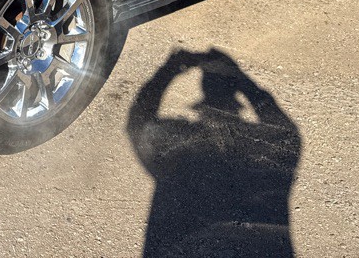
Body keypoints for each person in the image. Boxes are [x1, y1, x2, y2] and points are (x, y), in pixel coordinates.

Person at [127, 48, 301, 257]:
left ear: (200, 108)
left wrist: (168, 71)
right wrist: (243, 80)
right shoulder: (259, 148)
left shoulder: (181, 149)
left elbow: (139, 122)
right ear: (236, 104)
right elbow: (287, 134)